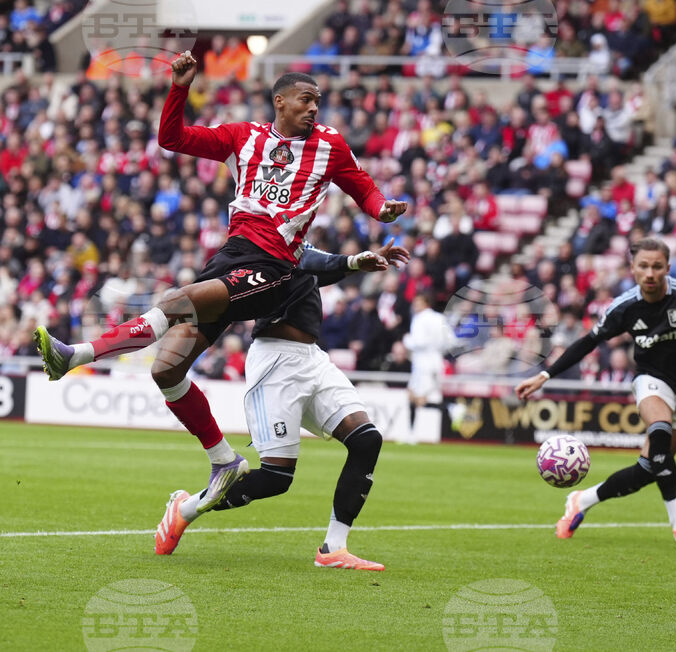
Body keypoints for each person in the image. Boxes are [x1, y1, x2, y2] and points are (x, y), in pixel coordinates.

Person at [34, 51, 407, 515]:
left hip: (274, 266)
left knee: (180, 300)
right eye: (306, 100)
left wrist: (381, 208)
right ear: (281, 102)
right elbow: (171, 138)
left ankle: (76, 355)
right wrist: (179, 87)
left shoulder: (331, 145)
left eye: (318, 102)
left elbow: (363, 187)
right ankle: (222, 460)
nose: (314, 108)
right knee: (166, 372)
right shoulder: (242, 136)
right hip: (230, 259)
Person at [155, 239, 411, 570]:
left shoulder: (299, 246)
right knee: (276, 478)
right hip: (276, 361)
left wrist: (358, 263)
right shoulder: (271, 244)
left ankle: (333, 549)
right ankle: (186, 508)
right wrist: (353, 261)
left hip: (312, 358)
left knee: (366, 440)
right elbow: (310, 260)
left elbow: (316, 268)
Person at [515, 237, 676, 550]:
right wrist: (545, 375)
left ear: (668, 268)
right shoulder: (625, 307)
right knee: (659, 431)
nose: (650, 273)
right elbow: (588, 342)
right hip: (651, 381)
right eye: (643, 266)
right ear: (632, 269)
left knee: (650, 468)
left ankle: (582, 499)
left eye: (657, 266)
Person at [403, 293, 457, 430]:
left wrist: (407, 340)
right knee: (412, 396)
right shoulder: (440, 318)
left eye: (418, 302)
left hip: (422, 363)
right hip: (436, 361)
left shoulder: (420, 318)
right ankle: (410, 433)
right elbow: (451, 341)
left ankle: (453, 408)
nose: (415, 306)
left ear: (426, 303)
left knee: (419, 400)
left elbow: (418, 342)